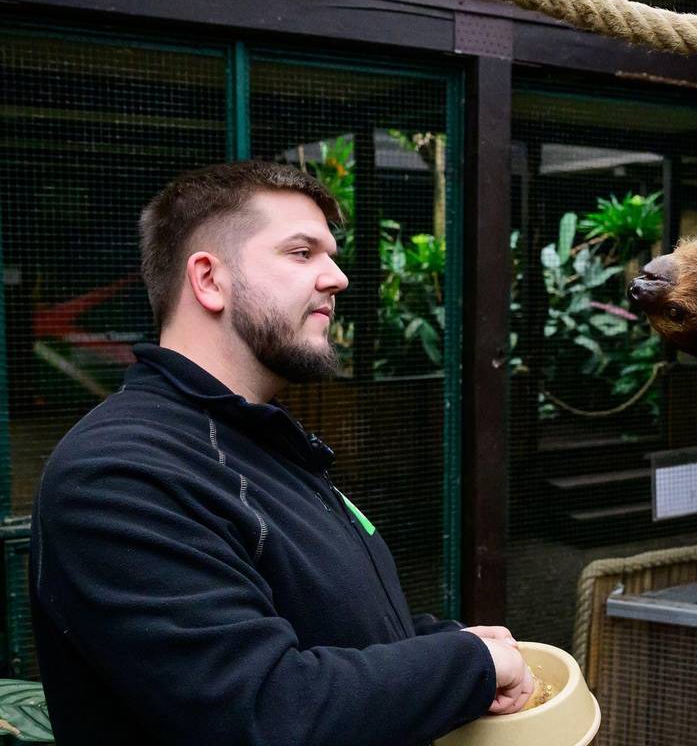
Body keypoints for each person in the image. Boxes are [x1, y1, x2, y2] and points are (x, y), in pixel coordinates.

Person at [29, 161, 532, 744]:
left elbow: (322, 628)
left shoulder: (259, 442)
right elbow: (266, 713)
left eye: (332, 254)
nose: (337, 277)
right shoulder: (120, 474)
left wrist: (445, 646)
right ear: (209, 280)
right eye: (302, 252)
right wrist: (467, 665)